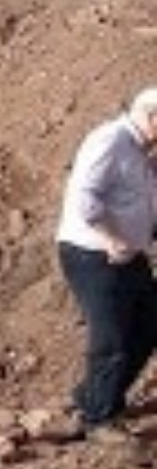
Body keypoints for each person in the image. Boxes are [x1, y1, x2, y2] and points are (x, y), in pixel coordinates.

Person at [56, 87, 157, 431]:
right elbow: (85, 197)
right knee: (111, 335)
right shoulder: (110, 140)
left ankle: (95, 397)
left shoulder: (143, 152)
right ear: (150, 117)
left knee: (148, 323)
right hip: (94, 253)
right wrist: (110, 239)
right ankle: (99, 418)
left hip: (129, 253)